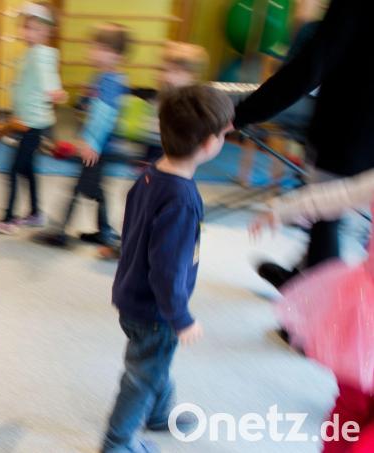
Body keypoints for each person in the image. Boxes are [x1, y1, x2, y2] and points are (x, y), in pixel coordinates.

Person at [103, 85, 234, 452]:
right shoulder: (182, 200)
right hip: (156, 310)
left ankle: (159, 414)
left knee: (154, 361)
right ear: (209, 144)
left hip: (132, 296)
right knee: (142, 375)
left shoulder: (148, 177)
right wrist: (180, 316)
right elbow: (167, 269)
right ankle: (117, 443)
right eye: (225, 133)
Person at [233, 0, 374, 289]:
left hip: (352, 125)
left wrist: (242, 114)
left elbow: (313, 63)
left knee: (326, 216)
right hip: (357, 127)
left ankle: (307, 321)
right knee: (328, 212)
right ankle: (300, 277)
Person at [250, 168, 374, 453]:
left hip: (365, 309)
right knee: (351, 404)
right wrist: (283, 210)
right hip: (366, 311)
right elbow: (336, 195)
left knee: (351, 408)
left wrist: (282, 210)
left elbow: (336, 195)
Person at [34, 24, 129, 258]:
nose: (92, 52)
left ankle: (62, 231)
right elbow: (92, 109)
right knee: (94, 190)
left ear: (115, 55)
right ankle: (105, 231)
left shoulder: (111, 81)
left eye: (99, 48)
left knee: (79, 188)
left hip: (98, 148)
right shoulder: (103, 78)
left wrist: (92, 143)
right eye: (93, 47)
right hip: (96, 147)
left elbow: (104, 115)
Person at [0, 2, 66, 234]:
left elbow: (47, 75)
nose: (27, 32)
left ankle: (7, 220)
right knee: (26, 168)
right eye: (25, 27)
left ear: (45, 32)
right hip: (28, 121)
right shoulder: (32, 52)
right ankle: (36, 213)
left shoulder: (41, 54)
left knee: (13, 169)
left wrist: (54, 91)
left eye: (33, 28)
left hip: (33, 123)